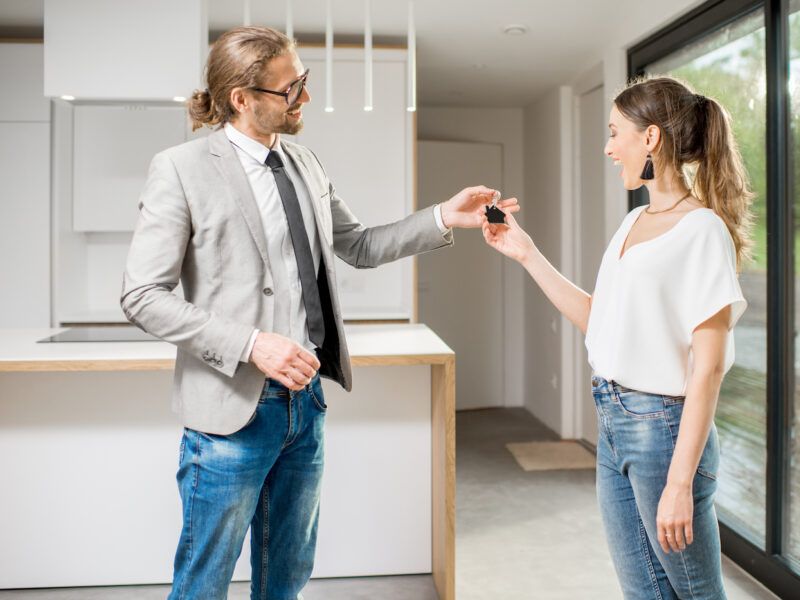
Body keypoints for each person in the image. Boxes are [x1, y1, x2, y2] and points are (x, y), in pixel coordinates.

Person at [120, 25, 518, 600]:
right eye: (290, 88)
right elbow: (142, 295)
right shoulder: (181, 168)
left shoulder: (304, 162)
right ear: (242, 98)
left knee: (287, 575)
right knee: (204, 581)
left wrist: (442, 217)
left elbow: (359, 244)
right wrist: (251, 343)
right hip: (230, 412)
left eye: (302, 80)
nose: (304, 96)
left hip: (304, 404)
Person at [481, 75, 751, 599]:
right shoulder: (633, 222)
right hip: (612, 419)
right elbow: (599, 319)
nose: (608, 148)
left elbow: (710, 367)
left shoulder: (703, 231)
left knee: (697, 593)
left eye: (613, 133)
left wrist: (679, 483)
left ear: (650, 138)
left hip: (663, 433)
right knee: (644, 591)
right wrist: (526, 253)